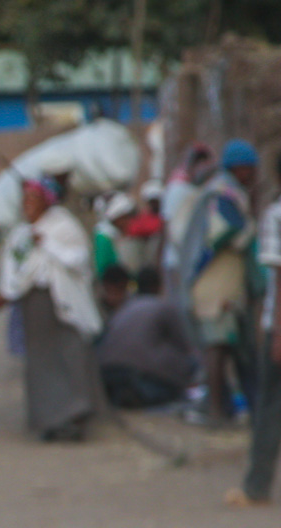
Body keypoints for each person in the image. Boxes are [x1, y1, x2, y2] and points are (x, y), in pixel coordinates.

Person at [0, 177, 102, 441]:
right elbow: (13, 270)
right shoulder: (19, 235)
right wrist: (5, 294)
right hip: (34, 308)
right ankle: (51, 421)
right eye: (25, 200)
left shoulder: (63, 226)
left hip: (63, 303)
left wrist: (48, 243)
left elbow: (78, 259)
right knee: (41, 365)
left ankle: (76, 414)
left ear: (47, 202)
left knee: (72, 355)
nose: (27, 205)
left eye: (33, 199)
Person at [179, 138, 258, 426]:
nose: (253, 175)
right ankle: (215, 412)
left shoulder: (224, 192)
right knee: (217, 347)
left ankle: (223, 407)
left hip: (221, 284)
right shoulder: (223, 195)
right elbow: (226, 236)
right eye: (250, 169)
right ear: (239, 168)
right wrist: (250, 230)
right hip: (215, 286)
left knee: (224, 347)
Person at [227, 151, 281, 506]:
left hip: (279, 326)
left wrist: (276, 330)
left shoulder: (275, 216)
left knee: (269, 408)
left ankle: (256, 486)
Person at [97, 265, 198, 409]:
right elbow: (184, 346)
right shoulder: (164, 306)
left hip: (106, 372)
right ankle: (140, 394)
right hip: (139, 374)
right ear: (158, 286)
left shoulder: (125, 307)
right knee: (189, 363)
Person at [161, 144, 215, 303]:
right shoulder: (178, 189)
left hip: (193, 263)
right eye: (198, 163)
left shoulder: (201, 190)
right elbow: (171, 229)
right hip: (177, 262)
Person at [93, 191, 138, 279]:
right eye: (124, 218)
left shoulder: (115, 235)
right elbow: (103, 269)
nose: (127, 222)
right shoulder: (104, 238)